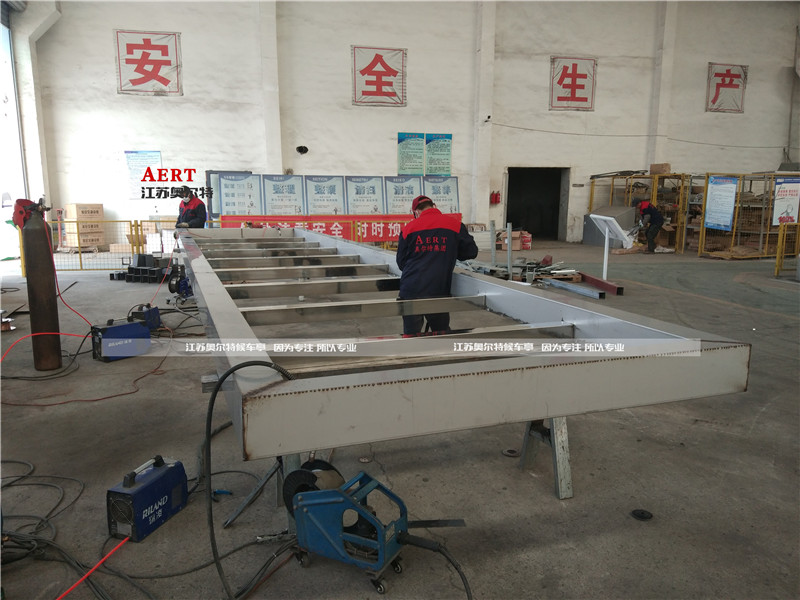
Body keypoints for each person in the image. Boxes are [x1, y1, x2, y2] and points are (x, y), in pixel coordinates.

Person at [395, 195, 478, 336]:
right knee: (441, 334)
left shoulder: (408, 228)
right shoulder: (455, 225)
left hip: (411, 290)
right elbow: (471, 252)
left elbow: (401, 263)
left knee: (411, 337)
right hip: (438, 290)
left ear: (416, 212)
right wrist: (449, 251)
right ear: (434, 206)